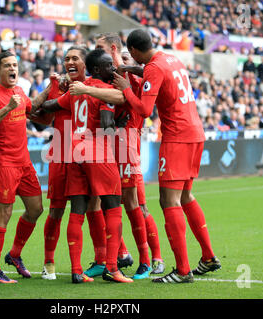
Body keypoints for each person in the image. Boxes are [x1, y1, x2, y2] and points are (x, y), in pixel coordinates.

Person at [114, 29, 221, 283]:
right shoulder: (170, 59)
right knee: (185, 195)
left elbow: (144, 108)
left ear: (136, 52)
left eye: (132, 57)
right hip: (195, 132)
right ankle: (207, 257)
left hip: (177, 137)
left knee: (168, 200)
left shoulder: (154, 68)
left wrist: (127, 88)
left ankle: (183, 271)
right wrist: (131, 71)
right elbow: (154, 75)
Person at [70, 33, 165, 279]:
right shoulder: (107, 77)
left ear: (113, 48)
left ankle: (151, 259)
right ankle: (111, 257)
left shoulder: (128, 72)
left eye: (100, 48)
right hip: (105, 143)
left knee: (134, 202)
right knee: (101, 202)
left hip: (125, 140)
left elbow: (143, 100)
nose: (97, 53)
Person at [36, 49, 133, 284]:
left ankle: (76, 271)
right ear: (98, 69)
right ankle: (112, 267)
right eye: (109, 65)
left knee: (77, 211)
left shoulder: (75, 90)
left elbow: (51, 105)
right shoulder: (106, 91)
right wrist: (119, 124)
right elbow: (108, 125)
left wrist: (33, 109)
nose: (113, 68)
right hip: (96, 149)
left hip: (72, 150)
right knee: (113, 208)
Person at [0, 50, 52, 284]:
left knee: (36, 209)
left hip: (24, 163)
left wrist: (51, 87)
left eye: (15, 65)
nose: (12, 69)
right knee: (4, 215)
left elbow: (33, 106)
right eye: (7, 65)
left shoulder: (19, 91)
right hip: (3, 164)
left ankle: (15, 254)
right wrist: (8, 107)